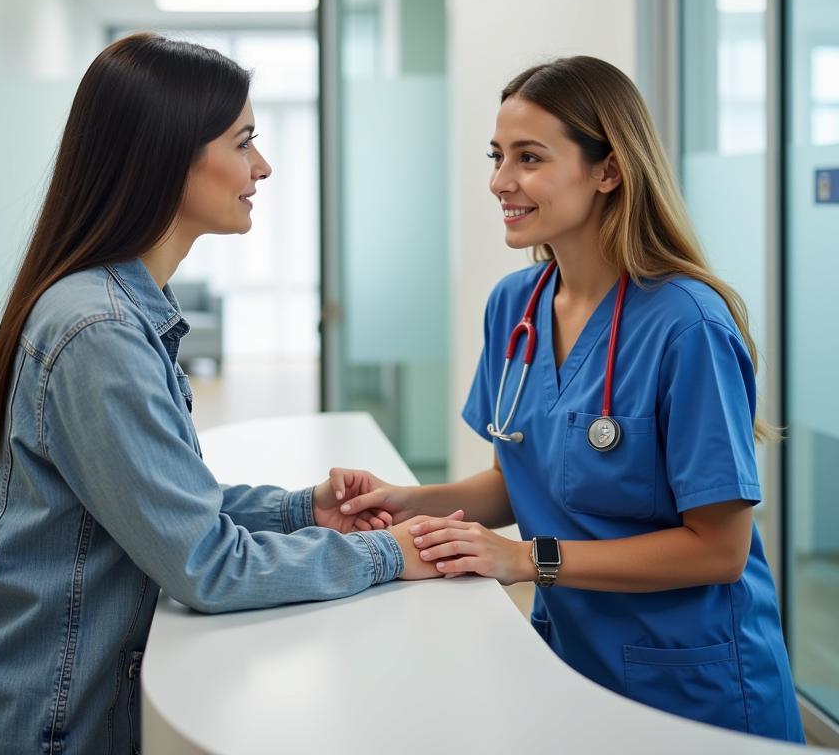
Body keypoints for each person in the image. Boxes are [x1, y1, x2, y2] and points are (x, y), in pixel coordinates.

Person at [0, 34, 439, 755]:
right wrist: (388, 554)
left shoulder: (119, 305)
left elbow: (164, 501)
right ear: (168, 155)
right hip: (41, 722)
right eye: (244, 142)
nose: (261, 167)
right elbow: (207, 564)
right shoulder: (100, 329)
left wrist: (306, 510)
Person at [332, 56, 804, 742]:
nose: (500, 182)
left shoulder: (687, 325)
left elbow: (718, 551)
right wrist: (407, 500)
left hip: (694, 684)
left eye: (530, 158)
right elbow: (517, 480)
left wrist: (526, 560)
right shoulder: (514, 306)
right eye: (497, 156)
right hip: (570, 664)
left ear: (608, 170)